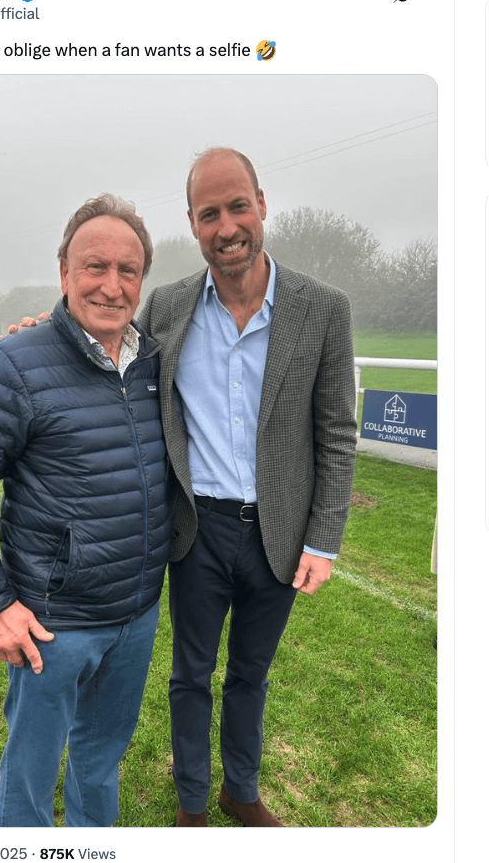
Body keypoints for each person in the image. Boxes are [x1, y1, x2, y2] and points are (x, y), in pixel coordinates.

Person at [0, 194, 172, 828]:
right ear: (64, 270)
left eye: (128, 271)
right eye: (95, 267)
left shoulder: (152, 363)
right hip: (52, 624)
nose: (111, 286)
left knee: (100, 760)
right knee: (32, 776)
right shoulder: (12, 364)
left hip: (138, 610)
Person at [139, 148, 357, 827]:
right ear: (191, 223)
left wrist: (323, 539)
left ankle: (240, 789)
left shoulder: (322, 310)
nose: (226, 226)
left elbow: (336, 433)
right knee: (189, 676)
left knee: (250, 676)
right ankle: (192, 805)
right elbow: (111, 368)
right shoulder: (166, 307)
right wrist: (48, 338)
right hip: (195, 532)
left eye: (237, 206)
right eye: (209, 214)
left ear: (261, 203)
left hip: (279, 534)